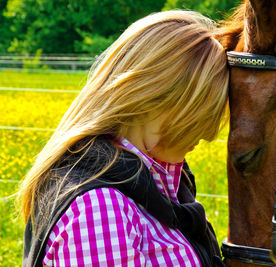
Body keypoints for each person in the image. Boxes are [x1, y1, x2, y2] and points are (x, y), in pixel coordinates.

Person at [18, 10, 229, 267]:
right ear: (157, 97)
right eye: (203, 114)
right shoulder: (99, 209)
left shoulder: (156, 180)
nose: (208, 133)